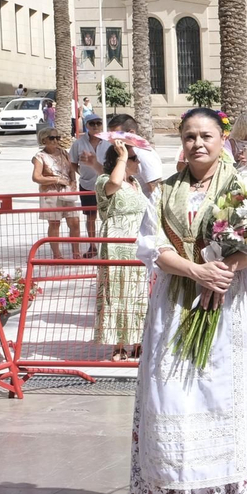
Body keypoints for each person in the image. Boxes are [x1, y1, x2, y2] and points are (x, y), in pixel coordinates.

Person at [129, 108, 247, 494]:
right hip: (176, 303)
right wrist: (195, 271)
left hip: (229, 305)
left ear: (222, 139)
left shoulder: (245, 187)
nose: (197, 144)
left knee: (225, 399)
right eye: (189, 137)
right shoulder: (163, 191)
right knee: (177, 400)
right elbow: (152, 247)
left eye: (206, 135)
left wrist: (227, 267)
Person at [95, 138, 150, 361]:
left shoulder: (136, 183)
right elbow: (114, 184)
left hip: (137, 243)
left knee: (138, 294)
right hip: (117, 244)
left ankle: (139, 341)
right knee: (117, 293)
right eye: (134, 159)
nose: (138, 163)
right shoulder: (104, 180)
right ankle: (118, 345)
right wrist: (123, 158)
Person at [33, 128, 82, 259]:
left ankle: (76, 253)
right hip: (51, 192)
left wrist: (73, 182)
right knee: (54, 223)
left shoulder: (64, 153)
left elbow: (71, 169)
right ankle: (57, 254)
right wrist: (56, 180)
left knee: (74, 221)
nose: (55, 140)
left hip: (67, 191)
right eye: (52, 138)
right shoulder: (40, 157)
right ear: (44, 140)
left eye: (57, 138)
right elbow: (36, 177)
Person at [71, 115, 107, 257]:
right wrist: (81, 173)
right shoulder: (78, 143)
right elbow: (72, 162)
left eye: (99, 123)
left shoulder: (109, 143)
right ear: (87, 125)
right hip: (87, 185)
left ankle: (107, 246)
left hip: (106, 185)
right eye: (92, 123)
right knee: (90, 217)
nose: (96, 126)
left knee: (107, 217)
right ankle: (93, 246)